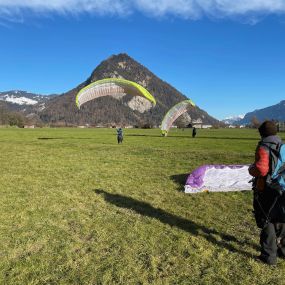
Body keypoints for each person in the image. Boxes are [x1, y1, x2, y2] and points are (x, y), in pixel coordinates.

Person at [249, 120, 285, 265]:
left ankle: (268, 257)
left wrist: (251, 169)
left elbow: (261, 169)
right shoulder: (282, 145)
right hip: (282, 188)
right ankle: (283, 250)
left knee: (266, 220)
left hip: (267, 190)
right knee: (281, 219)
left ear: (262, 133)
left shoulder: (264, 146)